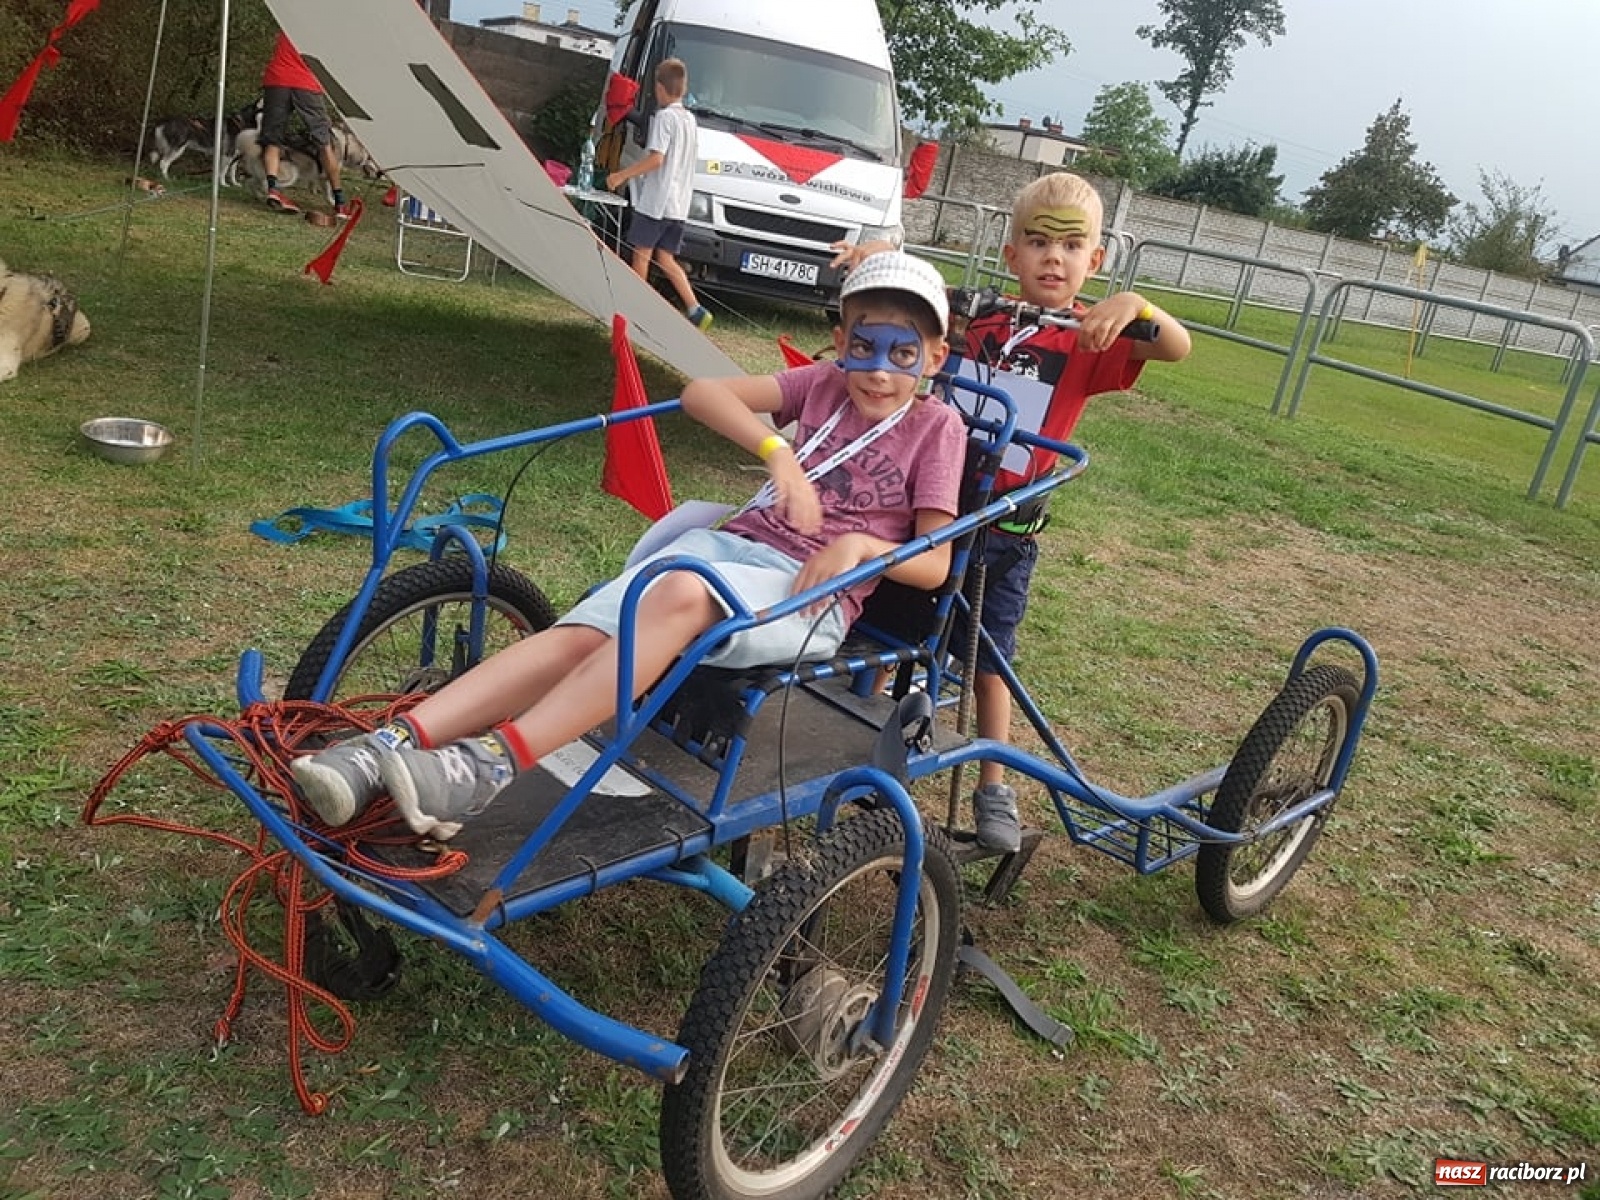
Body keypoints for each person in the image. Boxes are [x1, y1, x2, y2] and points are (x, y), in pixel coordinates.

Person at [291, 251, 967, 840]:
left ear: (934, 357)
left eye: (902, 355)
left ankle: (492, 764)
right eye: (863, 348)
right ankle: (387, 746)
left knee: (672, 589)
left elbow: (937, 562)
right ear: (840, 340)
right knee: (581, 635)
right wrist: (776, 451)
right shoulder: (819, 386)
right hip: (725, 549)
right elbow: (702, 392)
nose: (878, 373)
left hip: (807, 595)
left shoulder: (936, 429)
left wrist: (855, 547)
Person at [834, 172, 1192, 853]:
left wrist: (1138, 305)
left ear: (1096, 260)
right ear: (1011, 256)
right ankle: (849, 742)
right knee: (880, 634)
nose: (1052, 259)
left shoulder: (1090, 338)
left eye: (1071, 246)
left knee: (989, 665)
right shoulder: (984, 320)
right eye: (1037, 243)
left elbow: (1176, 348)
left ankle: (993, 785)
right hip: (931, 512)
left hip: (1002, 538)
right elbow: (921, 300)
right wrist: (879, 260)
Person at [605, 58, 714, 331]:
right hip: (679, 204)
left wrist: (622, 175)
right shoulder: (689, 120)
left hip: (657, 201)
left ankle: (637, 309)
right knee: (665, 258)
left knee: (641, 254)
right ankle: (696, 309)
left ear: (659, 88)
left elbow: (657, 159)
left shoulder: (664, 118)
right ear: (683, 88)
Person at [259, 31, 347, 219]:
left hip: (277, 78)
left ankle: (273, 190)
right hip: (306, 83)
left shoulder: (287, 20)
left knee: (272, 140)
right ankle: (340, 203)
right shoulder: (313, 27)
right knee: (324, 142)